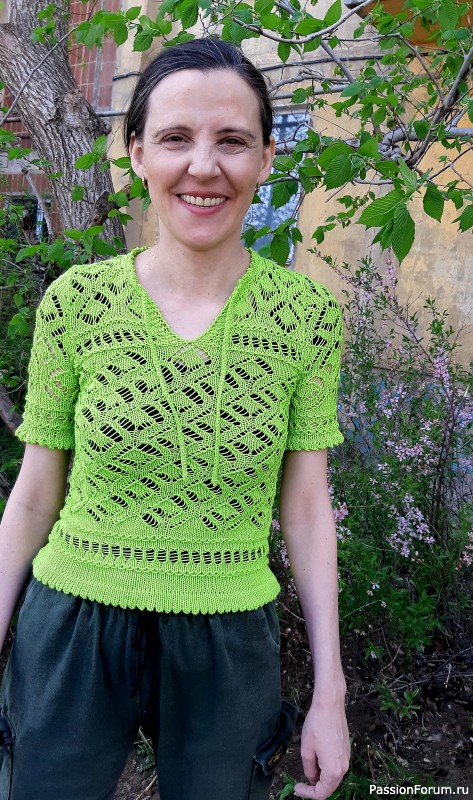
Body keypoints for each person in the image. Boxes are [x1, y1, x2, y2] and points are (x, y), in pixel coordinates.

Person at [0, 37, 350, 800]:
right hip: (72, 629)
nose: (203, 165)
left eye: (232, 141)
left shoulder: (306, 317)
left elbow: (305, 507)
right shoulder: (76, 305)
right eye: (174, 138)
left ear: (265, 158)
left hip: (228, 639)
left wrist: (330, 691)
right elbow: (33, 494)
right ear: (136, 155)